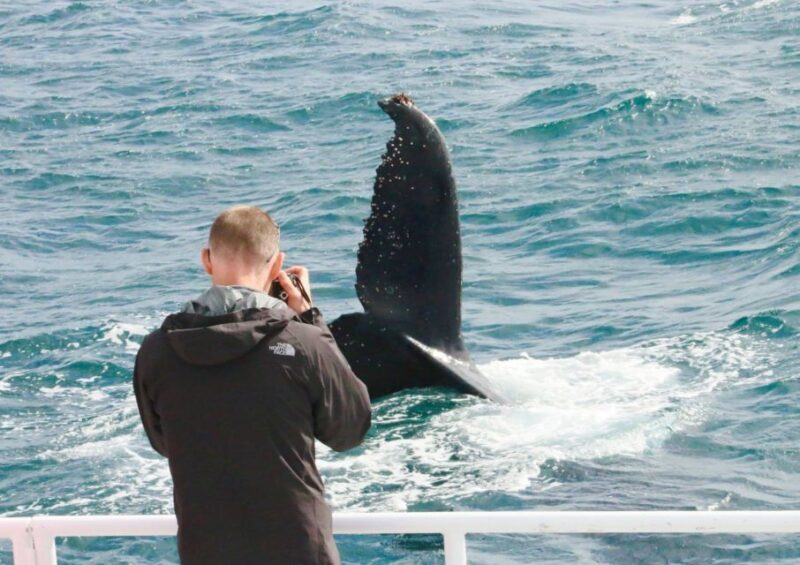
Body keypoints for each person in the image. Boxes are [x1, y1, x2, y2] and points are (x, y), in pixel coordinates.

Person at [133, 205, 371, 564]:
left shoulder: (156, 351)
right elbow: (350, 429)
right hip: (299, 550)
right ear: (276, 266)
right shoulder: (302, 343)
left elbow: (165, 443)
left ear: (206, 260)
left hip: (206, 552)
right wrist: (310, 318)